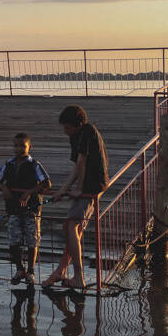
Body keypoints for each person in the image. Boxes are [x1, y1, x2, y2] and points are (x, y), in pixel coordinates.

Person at [44, 105, 108, 289]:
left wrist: (79, 189)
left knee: (71, 224)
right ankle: (61, 271)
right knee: (74, 228)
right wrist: (63, 190)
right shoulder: (75, 136)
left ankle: (78, 276)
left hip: (93, 186)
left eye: (68, 128)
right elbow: (76, 167)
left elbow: (82, 161)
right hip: (86, 185)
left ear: (78, 124)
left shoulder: (88, 131)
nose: (65, 131)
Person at [0, 133, 52, 285]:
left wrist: (30, 192)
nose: (18, 149)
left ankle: (31, 271)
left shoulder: (35, 165)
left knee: (32, 240)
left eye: (22, 146)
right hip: (13, 209)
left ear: (29, 147)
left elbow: (46, 183)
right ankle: (19, 269)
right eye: (16, 146)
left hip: (31, 209)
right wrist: (3, 187)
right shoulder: (8, 164)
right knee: (14, 240)